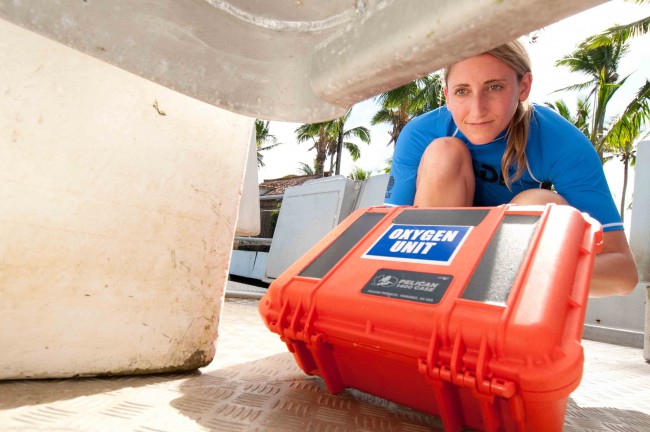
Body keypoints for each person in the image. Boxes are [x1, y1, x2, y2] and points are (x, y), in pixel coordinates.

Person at [384, 39, 637, 297]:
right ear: (447, 96)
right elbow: (388, 235)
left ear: (523, 87)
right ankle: (426, 306)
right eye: (462, 91)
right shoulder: (421, 133)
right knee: (443, 154)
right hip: (436, 264)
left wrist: (505, 269)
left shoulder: (560, 141)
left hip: (512, 275)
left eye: (494, 87)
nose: (477, 110)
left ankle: (502, 319)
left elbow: (622, 274)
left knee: (538, 202)